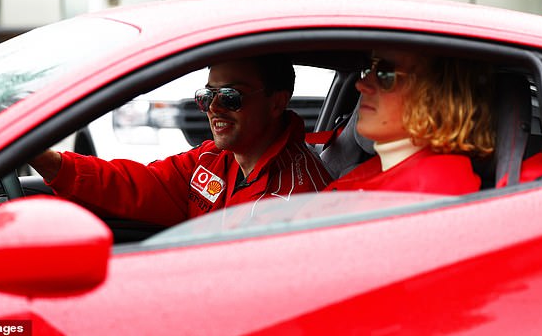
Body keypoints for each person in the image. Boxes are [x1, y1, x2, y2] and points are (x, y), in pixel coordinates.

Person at [30, 56, 333, 226]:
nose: (214, 108)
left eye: (230, 96)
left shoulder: (297, 198)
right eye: (207, 96)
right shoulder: (212, 159)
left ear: (277, 103)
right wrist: (50, 162)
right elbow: (137, 185)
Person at [324, 50, 494, 194]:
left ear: (437, 96)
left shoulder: (432, 190)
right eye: (369, 69)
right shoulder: (386, 166)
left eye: (386, 74)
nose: (361, 84)